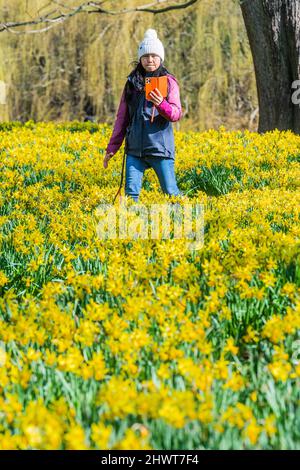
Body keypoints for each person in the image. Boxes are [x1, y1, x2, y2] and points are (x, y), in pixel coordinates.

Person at [103, 28, 183, 202]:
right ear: (140, 58)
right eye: (146, 56)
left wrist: (160, 103)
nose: (150, 60)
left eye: (154, 56)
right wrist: (112, 148)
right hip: (134, 150)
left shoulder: (168, 82)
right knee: (131, 195)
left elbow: (176, 114)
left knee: (171, 192)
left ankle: (183, 227)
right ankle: (134, 229)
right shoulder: (132, 83)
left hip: (159, 148)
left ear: (160, 58)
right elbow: (122, 119)